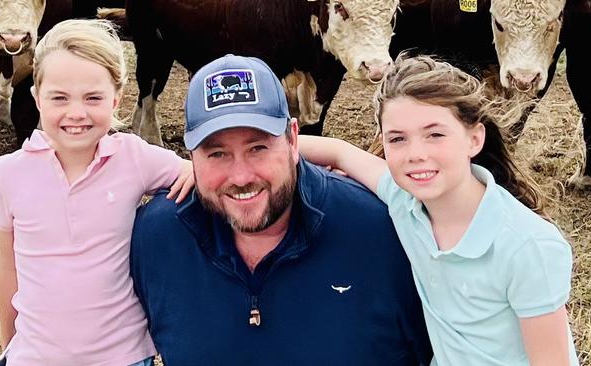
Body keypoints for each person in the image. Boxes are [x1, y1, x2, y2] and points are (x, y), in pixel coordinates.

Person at [130, 54, 433, 365]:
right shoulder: (156, 238)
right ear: (191, 155)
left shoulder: (381, 232)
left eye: (258, 148)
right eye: (217, 154)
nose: (241, 177)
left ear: (293, 139)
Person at [299, 54, 578, 366]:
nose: (416, 154)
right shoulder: (405, 200)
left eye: (435, 134)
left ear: (474, 139)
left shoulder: (528, 246)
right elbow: (339, 151)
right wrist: (265, 147)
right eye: (397, 139)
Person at [0, 19, 194, 365]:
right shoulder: (10, 173)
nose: (76, 113)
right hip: (37, 356)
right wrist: (10, 344)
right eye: (60, 98)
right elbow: (7, 264)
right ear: (37, 97)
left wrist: (191, 173)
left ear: (117, 98)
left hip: (123, 355)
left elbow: (201, 172)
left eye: (93, 97)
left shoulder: (133, 156)